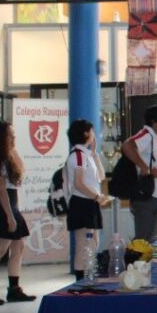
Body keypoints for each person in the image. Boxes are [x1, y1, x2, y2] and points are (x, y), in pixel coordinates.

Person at [0, 121, 35, 305]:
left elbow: (20, 173)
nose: (13, 138)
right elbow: (0, 188)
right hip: (2, 205)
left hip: (12, 203)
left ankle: (14, 287)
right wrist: (9, 215)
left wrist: (13, 151)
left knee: (18, 246)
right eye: (10, 135)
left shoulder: (9, 156)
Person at [66, 119, 108, 281]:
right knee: (84, 244)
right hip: (81, 203)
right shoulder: (77, 155)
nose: (94, 135)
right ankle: (80, 280)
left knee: (93, 243)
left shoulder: (85, 155)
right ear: (85, 133)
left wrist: (94, 152)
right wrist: (97, 196)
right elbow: (79, 183)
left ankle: (88, 277)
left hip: (90, 202)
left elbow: (101, 176)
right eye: (92, 131)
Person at [122, 104, 157, 242]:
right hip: (145, 196)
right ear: (154, 121)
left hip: (154, 195)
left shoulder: (156, 139)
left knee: (151, 239)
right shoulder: (146, 135)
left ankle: (145, 264)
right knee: (143, 240)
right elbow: (127, 145)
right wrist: (144, 167)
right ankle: (137, 263)